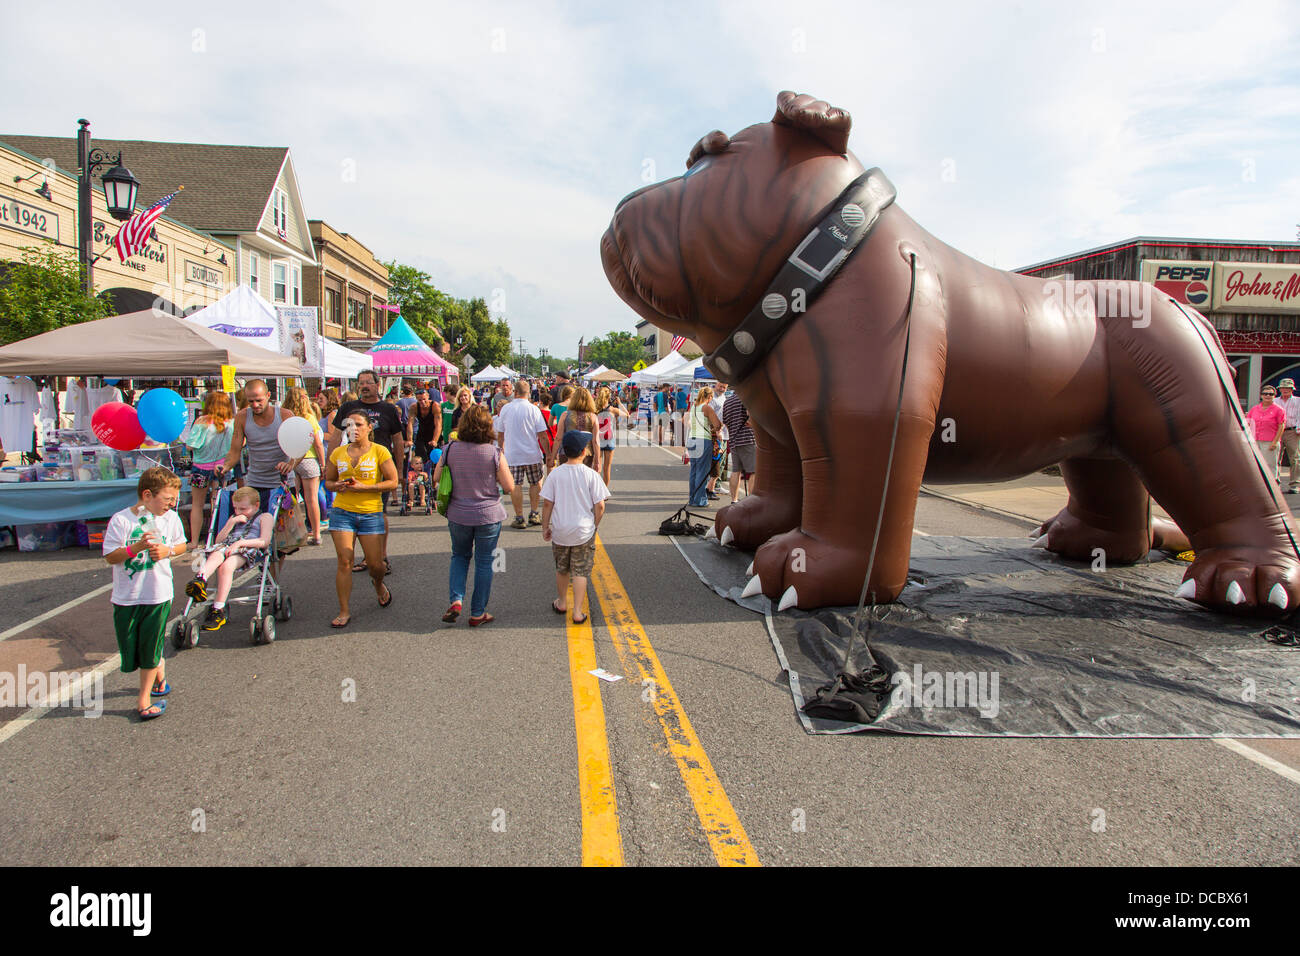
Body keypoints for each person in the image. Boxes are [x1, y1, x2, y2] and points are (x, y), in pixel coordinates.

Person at [103, 467, 188, 721]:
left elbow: (182, 543)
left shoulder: (170, 518)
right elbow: (110, 556)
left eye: (174, 499)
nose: (171, 504)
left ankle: (144, 701)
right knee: (131, 650)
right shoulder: (121, 520)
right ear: (147, 494)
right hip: (127, 596)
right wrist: (135, 548)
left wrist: (168, 551)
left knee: (150, 646)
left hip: (157, 594)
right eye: (167, 498)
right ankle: (160, 676)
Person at [433, 404, 515, 626]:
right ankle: (478, 612)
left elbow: (436, 477)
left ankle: (456, 599)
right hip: (488, 515)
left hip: (458, 513)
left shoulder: (450, 449)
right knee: (485, 562)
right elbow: (509, 487)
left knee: (459, 556)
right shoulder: (494, 453)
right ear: (488, 426)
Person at [326, 369, 405, 574]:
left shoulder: (388, 409)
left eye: (368, 382)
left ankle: (380, 556)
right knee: (350, 510)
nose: (364, 386)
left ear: (377, 385)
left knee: (380, 511)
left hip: (379, 468)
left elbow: (397, 440)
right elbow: (335, 436)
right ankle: (362, 556)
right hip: (350, 467)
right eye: (360, 383)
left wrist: (399, 469)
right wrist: (329, 462)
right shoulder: (348, 407)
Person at [323, 412, 398, 627]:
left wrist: (368, 487)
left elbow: (393, 482)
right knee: (345, 561)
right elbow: (328, 481)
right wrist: (336, 485)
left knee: (376, 565)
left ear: (369, 428)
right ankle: (344, 610)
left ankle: (378, 585)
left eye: (358, 424)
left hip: (370, 513)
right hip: (342, 512)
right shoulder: (338, 452)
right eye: (349, 425)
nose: (353, 428)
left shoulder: (379, 451)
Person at [542, 430, 611, 625]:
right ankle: (578, 612)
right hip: (583, 530)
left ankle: (562, 602)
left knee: (562, 568)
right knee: (580, 571)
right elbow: (600, 505)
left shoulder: (555, 474)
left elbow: (548, 504)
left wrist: (545, 526)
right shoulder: (590, 475)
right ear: (583, 451)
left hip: (560, 530)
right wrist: (594, 525)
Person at [185, 486, 274, 632]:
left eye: (243, 509)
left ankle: (218, 609)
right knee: (215, 554)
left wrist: (239, 543)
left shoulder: (265, 517)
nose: (239, 512)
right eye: (236, 508)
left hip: (247, 548)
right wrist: (231, 523)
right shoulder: (234, 517)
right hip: (227, 545)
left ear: (256, 505)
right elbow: (218, 540)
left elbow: (264, 541)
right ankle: (200, 580)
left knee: (226, 567)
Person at [214, 379, 299, 518]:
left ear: (268, 396)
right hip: (255, 482)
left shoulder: (285, 415)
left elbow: (299, 448)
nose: (255, 405)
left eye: (259, 400)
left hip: (283, 483)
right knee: (255, 529)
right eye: (251, 401)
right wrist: (225, 467)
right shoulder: (242, 417)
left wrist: (290, 464)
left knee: (284, 531)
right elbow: (235, 450)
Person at [182, 390, 235, 547]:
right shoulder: (231, 423)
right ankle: (217, 537)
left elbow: (190, 445)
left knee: (197, 505)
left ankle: (194, 540)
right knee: (217, 502)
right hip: (222, 468)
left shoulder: (202, 421)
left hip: (200, 468)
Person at [498, 379, 553, 528]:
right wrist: (548, 453)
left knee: (515, 485)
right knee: (535, 483)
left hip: (512, 455)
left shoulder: (506, 409)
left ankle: (519, 516)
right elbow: (542, 435)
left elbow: (500, 434)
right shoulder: (534, 409)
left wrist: (500, 451)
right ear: (528, 393)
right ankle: (534, 513)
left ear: (515, 392)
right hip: (532, 454)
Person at [282, 386, 325, 545]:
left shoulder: (284, 416)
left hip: (289, 460)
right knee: (311, 499)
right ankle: (316, 534)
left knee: (292, 499)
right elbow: (317, 443)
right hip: (308, 459)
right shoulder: (308, 417)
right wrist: (323, 463)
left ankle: (292, 534)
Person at [686, 386, 723, 507]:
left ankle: (692, 498)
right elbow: (717, 424)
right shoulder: (706, 407)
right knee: (702, 472)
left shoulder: (693, 407)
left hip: (692, 438)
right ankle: (700, 500)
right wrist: (716, 428)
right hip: (703, 440)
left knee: (694, 471)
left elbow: (687, 421)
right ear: (710, 397)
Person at [553, 386, 601, 474]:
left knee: (566, 481)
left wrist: (552, 456)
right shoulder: (593, 417)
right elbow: (596, 441)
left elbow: (558, 438)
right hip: (586, 454)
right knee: (583, 481)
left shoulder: (565, 415)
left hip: (566, 453)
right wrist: (597, 461)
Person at [721, 387, 756, 503]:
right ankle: (751, 502)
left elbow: (725, 421)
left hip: (734, 439)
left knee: (736, 471)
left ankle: (734, 500)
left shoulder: (728, 401)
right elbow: (750, 418)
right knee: (754, 471)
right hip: (748, 439)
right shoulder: (745, 398)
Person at [1246, 385, 1286, 482]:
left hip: (1269, 442)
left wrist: (1275, 442)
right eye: (1265, 393)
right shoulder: (1254, 409)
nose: (1267, 395)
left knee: (1270, 465)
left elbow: (1281, 426)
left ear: (1274, 396)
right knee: (1255, 464)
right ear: (1261, 395)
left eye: (1270, 394)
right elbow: (1248, 423)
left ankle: (1272, 486)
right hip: (1255, 441)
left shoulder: (1279, 410)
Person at [595, 386, 629, 487]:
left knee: (597, 466)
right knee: (607, 467)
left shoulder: (594, 409)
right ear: (608, 397)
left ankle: (596, 490)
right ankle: (605, 491)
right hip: (609, 439)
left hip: (597, 439)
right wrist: (619, 403)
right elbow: (627, 414)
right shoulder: (613, 410)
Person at [1277, 378, 1300, 494]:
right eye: (1283, 388)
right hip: (1277, 432)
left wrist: (1299, 427)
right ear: (1280, 389)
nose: (1285, 390)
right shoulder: (1275, 401)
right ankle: (1275, 482)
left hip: (1292, 431)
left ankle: (1295, 484)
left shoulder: (1298, 401)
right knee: (1276, 457)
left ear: (1292, 389)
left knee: (1295, 458)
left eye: (1288, 388)